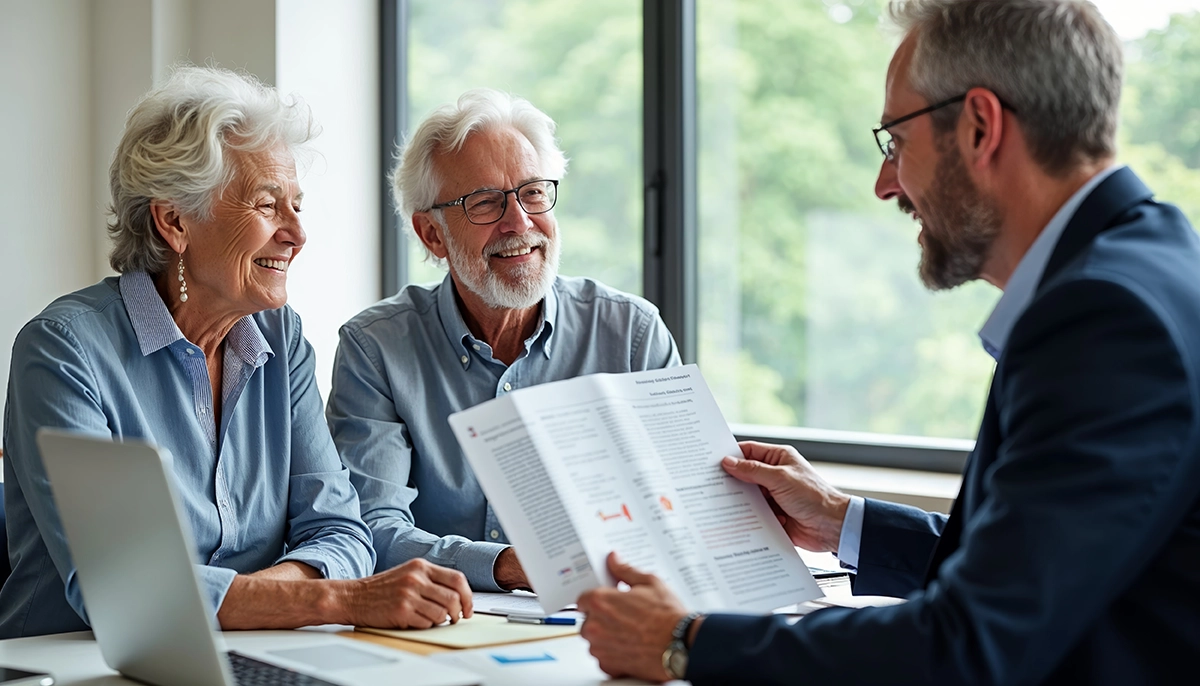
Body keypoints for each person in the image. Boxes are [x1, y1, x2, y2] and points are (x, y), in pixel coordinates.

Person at [577, 1, 1200, 683]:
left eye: (895, 143)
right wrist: (844, 521)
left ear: (980, 127)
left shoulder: (1103, 318)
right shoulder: (1154, 263)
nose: (884, 184)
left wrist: (686, 641)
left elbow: (967, 646)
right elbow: (1035, 573)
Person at [0, 66, 472, 638]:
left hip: (252, 654)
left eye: (297, 204)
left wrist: (259, 600)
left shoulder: (281, 338)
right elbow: (130, 592)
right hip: (75, 666)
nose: (297, 234)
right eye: (268, 206)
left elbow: (344, 532)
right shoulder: (64, 351)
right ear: (174, 220)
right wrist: (333, 600)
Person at [326, 89, 680, 593]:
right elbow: (371, 532)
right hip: (441, 630)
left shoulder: (632, 335)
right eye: (485, 203)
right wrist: (510, 565)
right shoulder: (375, 349)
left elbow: (685, 506)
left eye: (534, 192)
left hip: (610, 617)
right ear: (431, 235)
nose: (519, 223)